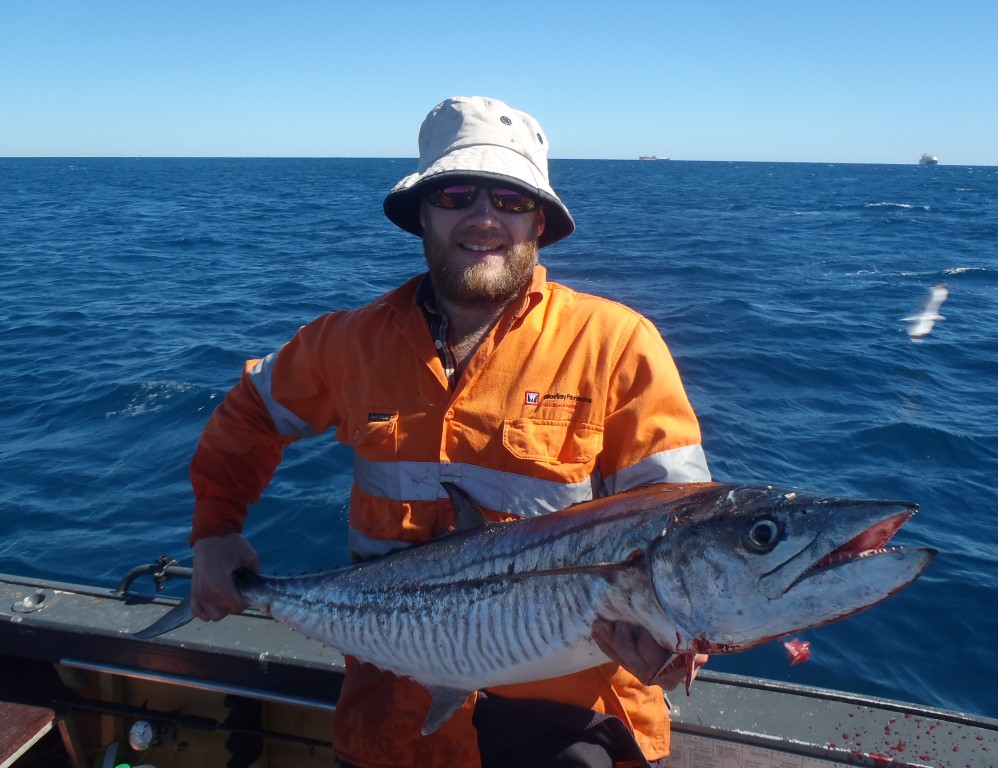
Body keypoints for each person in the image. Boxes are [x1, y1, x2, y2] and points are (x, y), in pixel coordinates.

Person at [188, 96, 712, 768]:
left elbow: (684, 536)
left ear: (541, 222)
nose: (484, 217)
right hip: (393, 719)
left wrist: (682, 640)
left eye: (511, 199)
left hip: (572, 721)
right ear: (422, 214)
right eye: (457, 193)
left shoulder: (616, 346)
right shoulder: (347, 344)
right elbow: (252, 414)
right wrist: (215, 530)